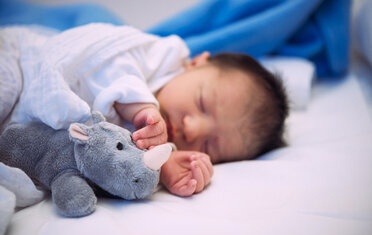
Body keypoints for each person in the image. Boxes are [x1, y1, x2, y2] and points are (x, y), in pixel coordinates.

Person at [0, 23, 288, 197]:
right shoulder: (157, 56)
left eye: (209, 145)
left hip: (21, 138)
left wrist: (163, 168)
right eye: (202, 104)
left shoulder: (166, 151)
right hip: (24, 67)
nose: (192, 129)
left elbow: (111, 162)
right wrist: (141, 106)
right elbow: (103, 60)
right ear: (197, 63)